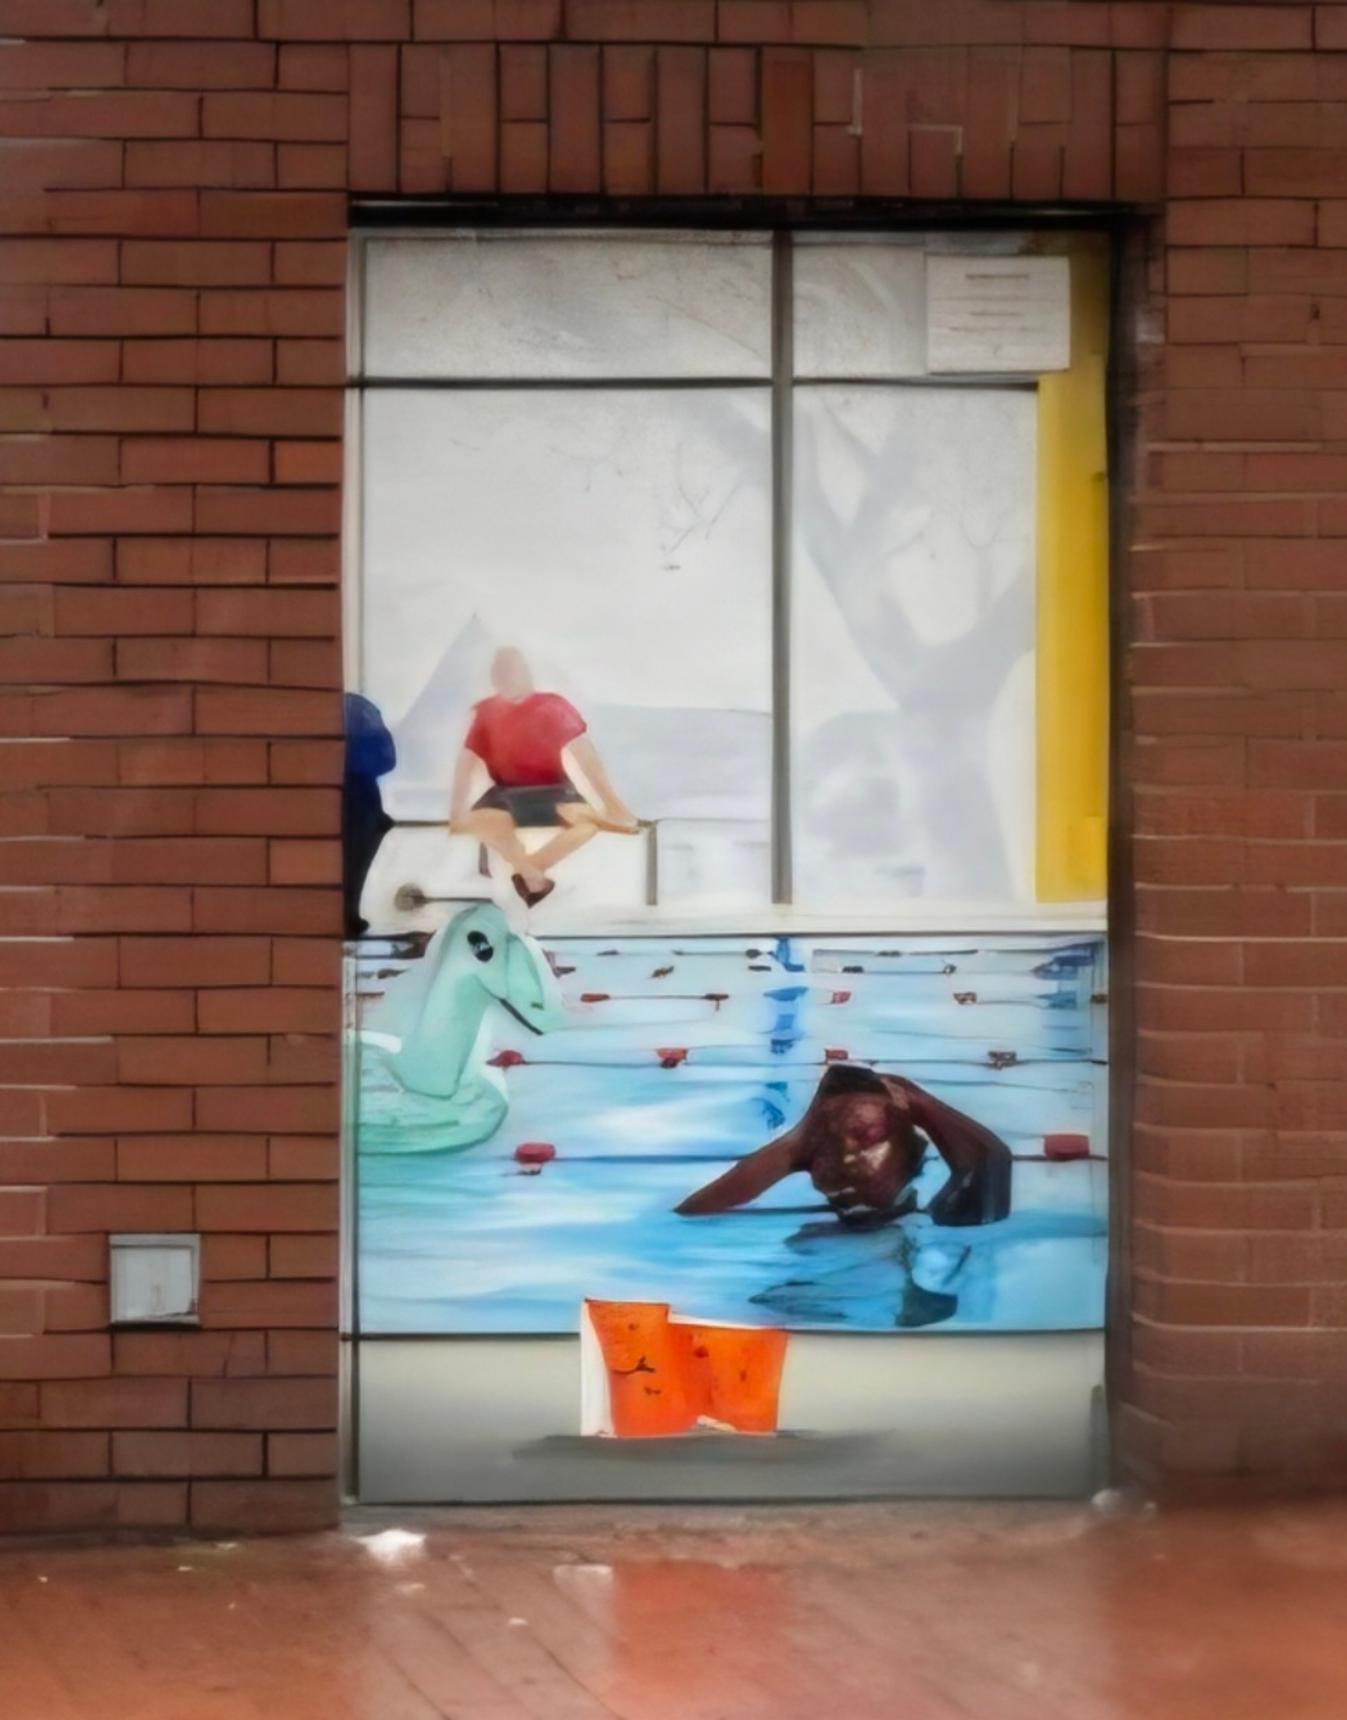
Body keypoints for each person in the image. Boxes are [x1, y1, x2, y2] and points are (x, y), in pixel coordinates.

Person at [675, 1063, 1013, 1228]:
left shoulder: (945, 1221)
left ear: (909, 1145)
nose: (848, 1158)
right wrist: (797, 1144)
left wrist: (916, 1100)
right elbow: (690, 1214)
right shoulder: (940, 1230)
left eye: (869, 1137)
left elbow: (990, 1161)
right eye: (826, 1146)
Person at [449, 646, 640, 907]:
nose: (505, 679)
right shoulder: (486, 712)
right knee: (485, 823)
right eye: (500, 674)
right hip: (505, 793)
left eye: (511, 672)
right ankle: (531, 876)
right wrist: (456, 811)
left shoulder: (553, 705)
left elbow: (586, 756)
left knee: (587, 824)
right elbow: (466, 763)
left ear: (525, 673)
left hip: (555, 789)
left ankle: (527, 871)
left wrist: (613, 805)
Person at [343, 692, 396, 937]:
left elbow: (385, 757)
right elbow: (386, 758)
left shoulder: (357, 708)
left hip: (358, 803)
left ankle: (347, 914)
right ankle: (347, 914)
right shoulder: (359, 708)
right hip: (361, 804)